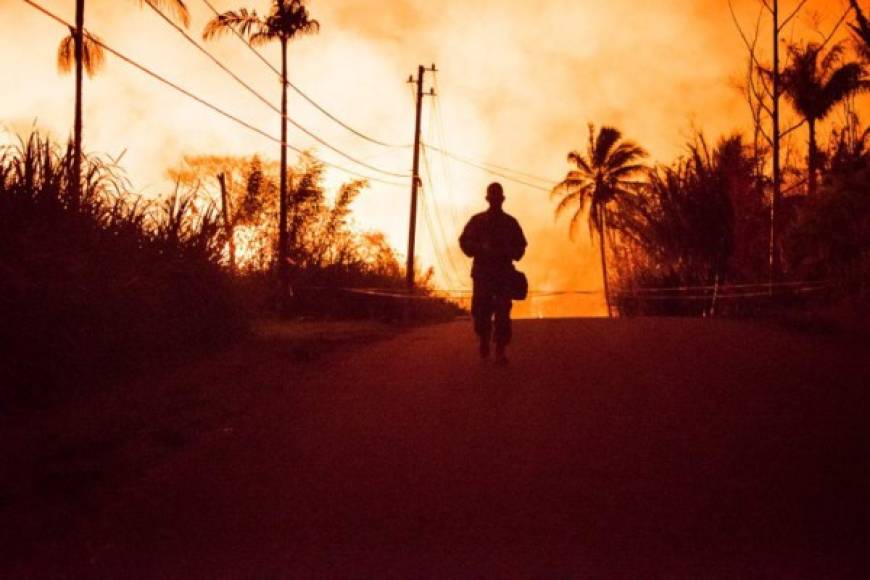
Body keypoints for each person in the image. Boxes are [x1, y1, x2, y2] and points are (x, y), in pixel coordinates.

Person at [459, 182, 527, 365]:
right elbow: (465, 242)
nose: (495, 200)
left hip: (503, 274)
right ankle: (484, 343)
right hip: (483, 274)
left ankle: (500, 350)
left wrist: (507, 251)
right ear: (488, 199)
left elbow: (521, 247)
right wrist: (481, 249)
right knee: (481, 313)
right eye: (493, 197)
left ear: (502, 199)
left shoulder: (510, 223)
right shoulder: (478, 221)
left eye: (498, 197)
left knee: (503, 313)